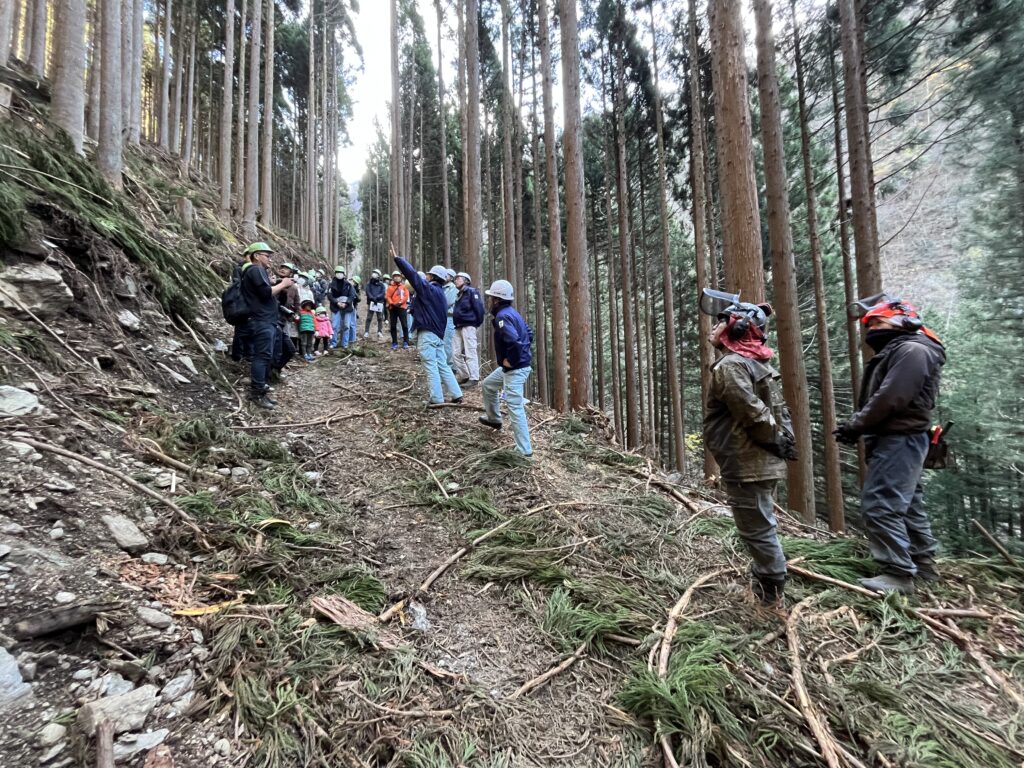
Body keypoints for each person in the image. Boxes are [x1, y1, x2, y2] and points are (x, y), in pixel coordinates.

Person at [835, 294, 946, 595]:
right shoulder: (907, 349)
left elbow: (891, 397)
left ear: (902, 319)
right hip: (898, 438)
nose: (870, 328)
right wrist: (860, 427)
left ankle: (898, 574)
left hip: (901, 439)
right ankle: (923, 566)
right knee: (908, 505)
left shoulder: (912, 350)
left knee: (880, 504)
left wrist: (857, 424)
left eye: (875, 321)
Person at [700, 289, 798, 606]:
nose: (713, 328)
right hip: (756, 459)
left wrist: (777, 440)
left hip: (747, 461)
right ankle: (770, 579)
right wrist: (783, 441)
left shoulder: (731, 366)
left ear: (736, 328)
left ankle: (769, 594)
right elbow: (779, 411)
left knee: (756, 528)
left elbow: (752, 411)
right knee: (761, 522)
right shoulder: (755, 365)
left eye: (720, 323)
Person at [392, 245, 463, 406]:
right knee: (442, 364)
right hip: (437, 335)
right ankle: (456, 393)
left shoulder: (428, 290)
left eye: (428, 275)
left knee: (430, 365)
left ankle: (437, 398)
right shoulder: (441, 294)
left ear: (431, 277)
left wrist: (398, 259)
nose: (426, 278)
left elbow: (412, 276)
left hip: (428, 334)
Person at [478, 279, 533, 457]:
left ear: (496, 299)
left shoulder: (503, 317)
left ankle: (524, 450)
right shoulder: (512, 313)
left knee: (514, 406)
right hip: (513, 367)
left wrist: (513, 359)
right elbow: (529, 332)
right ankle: (494, 419)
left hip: (515, 369)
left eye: (491, 297)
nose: (489, 300)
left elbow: (515, 342)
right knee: (488, 385)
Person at [239, 242, 293, 408]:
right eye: (267, 255)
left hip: (266, 319)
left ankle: (261, 390)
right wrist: (283, 284)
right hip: (261, 320)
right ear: (256, 256)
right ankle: (256, 393)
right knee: (261, 356)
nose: (270, 259)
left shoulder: (258, 272)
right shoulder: (255, 270)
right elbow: (265, 293)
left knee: (266, 355)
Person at [452, 272, 484, 386]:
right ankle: (464, 375)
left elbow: (479, 310)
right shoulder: (459, 294)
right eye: (455, 279)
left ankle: (474, 378)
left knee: (470, 351)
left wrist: (475, 323)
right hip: (458, 326)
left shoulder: (472, 292)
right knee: (455, 353)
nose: (455, 280)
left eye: (458, 278)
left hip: (469, 326)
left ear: (466, 280)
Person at [328, 267, 356, 348]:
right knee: (334, 325)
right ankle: (333, 343)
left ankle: (345, 343)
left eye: (341, 272)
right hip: (335, 307)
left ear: (344, 274)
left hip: (347, 308)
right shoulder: (331, 284)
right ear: (335, 273)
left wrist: (346, 303)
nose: (339, 274)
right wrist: (337, 302)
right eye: (337, 272)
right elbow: (329, 295)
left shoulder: (348, 284)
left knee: (347, 326)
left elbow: (352, 295)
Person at [386, 270, 411, 350]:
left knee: (404, 325)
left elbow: (406, 296)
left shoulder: (404, 287)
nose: (397, 277)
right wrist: (392, 303)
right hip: (393, 308)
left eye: (398, 276)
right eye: (395, 276)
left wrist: (400, 303)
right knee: (393, 325)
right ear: (393, 278)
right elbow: (388, 296)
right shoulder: (390, 287)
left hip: (402, 307)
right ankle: (394, 342)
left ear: (400, 277)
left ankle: (406, 341)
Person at [364, 269, 387, 339]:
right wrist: (372, 298)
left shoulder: (382, 285)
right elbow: (367, 292)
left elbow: (383, 293)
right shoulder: (369, 284)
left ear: (379, 275)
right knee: (369, 318)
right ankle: (366, 332)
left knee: (380, 318)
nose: (374, 274)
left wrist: (377, 297)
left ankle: (379, 331)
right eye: (373, 272)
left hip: (379, 303)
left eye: (376, 273)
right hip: (371, 303)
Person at [443, 268, 458, 366]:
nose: (444, 276)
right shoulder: (442, 287)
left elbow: (447, 301)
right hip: (443, 317)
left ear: (451, 277)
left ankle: (451, 366)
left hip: (449, 318)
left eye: (447, 275)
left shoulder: (452, 287)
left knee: (448, 342)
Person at [347, 275, 362, 346]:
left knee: (352, 324)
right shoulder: (346, 286)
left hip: (353, 308)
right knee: (346, 324)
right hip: (346, 307)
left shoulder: (357, 289)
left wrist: (354, 291)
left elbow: (359, 299)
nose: (352, 282)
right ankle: (346, 339)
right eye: (352, 281)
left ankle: (353, 339)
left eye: (354, 282)